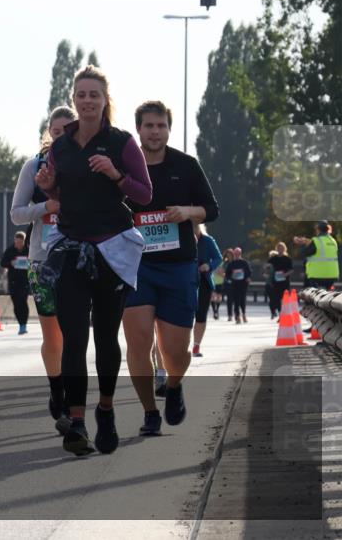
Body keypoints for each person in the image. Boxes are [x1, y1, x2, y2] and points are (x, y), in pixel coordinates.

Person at [35, 65, 152, 456]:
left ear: (105, 100)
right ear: (74, 98)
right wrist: (50, 185)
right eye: (81, 94)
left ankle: (105, 409)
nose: (87, 101)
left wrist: (116, 174)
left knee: (105, 336)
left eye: (94, 95)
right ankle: (77, 422)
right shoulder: (61, 147)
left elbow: (144, 195)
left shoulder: (121, 142)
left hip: (111, 247)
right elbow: (62, 192)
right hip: (71, 247)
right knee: (73, 338)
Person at [122, 101, 219, 437]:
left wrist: (187, 210)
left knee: (175, 350)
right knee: (138, 342)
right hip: (136, 267)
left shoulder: (186, 165)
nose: (155, 131)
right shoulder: (126, 165)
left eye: (161, 126)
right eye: (148, 125)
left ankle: (174, 385)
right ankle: (150, 412)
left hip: (178, 266)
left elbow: (211, 209)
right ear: (139, 129)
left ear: (168, 129)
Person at [11, 105, 76, 431]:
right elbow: (16, 214)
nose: (62, 135)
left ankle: (73, 398)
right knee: (53, 334)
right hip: (43, 261)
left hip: (81, 259)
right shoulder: (33, 166)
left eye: (69, 129)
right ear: (49, 132)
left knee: (75, 333)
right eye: (57, 129)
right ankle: (57, 391)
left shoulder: (89, 164)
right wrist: (46, 207)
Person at [193, 222, 222, 357]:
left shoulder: (207, 240)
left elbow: (218, 258)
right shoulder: (180, 239)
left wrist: (208, 265)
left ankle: (196, 346)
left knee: (201, 315)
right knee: (183, 315)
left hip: (203, 282)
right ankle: (181, 345)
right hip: (184, 282)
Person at [0, 233, 31, 334]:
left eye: (20, 242)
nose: (18, 244)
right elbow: (2, 262)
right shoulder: (10, 250)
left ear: (24, 242)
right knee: (16, 304)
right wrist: (11, 263)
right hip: (13, 281)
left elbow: (34, 261)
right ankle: (20, 323)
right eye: (16, 242)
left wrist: (29, 263)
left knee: (23, 302)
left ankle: (24, 324)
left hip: (24, 281)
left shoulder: (28, 250)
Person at [293, 221, 339, 290]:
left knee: (312, 296)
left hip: (317, 275)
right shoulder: (333, 241)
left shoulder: (316, 241)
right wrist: (307, 241)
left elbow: (304, 252)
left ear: (318, 229)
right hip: (332, 275)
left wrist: (302, 244)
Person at [267, 242, 294, 319]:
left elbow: (291, 270)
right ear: (276, 249)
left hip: (284, 281)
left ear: (285, 249)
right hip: (275, 281)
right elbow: (267, 266)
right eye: (278, 248)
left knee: (284, 298)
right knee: (276, 298)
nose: (280, 249)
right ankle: (279, 313)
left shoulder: (288, 259)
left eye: (282, 248)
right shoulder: (273, 258)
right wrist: (267, 268)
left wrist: (285, 274)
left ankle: (283, 313)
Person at [225, 247, 252, 323]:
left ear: (240, 254)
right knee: (236, 300)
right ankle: (237, 316)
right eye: (235, 254)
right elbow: (227, 274)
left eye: (238, 253)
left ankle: (243, 314)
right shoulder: (231, 263)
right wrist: (230, 278)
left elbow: (249, 272)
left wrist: (248, 278)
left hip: (243, 284)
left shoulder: (244, 262)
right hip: (234, 284)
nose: (237, 255)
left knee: (242, 299)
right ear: (234, 254)